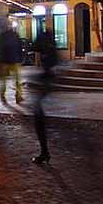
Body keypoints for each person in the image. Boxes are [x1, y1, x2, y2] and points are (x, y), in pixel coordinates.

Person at [31, 27, 58, 164]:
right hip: (47, 86)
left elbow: (35, 47)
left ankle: (44, 152)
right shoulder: (51, 48)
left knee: (39, 119)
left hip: (46, 88)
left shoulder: (47, 51)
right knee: (39, 118)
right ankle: (44, 152)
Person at [0, 20, 24, 104]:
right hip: (14, 59)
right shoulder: (15, 35)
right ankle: (18, 96)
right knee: (17, 80)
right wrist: (20, 58)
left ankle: (2, 96)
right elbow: (20, 47)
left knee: (3, 80)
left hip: (4, 60)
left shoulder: (1, 36)